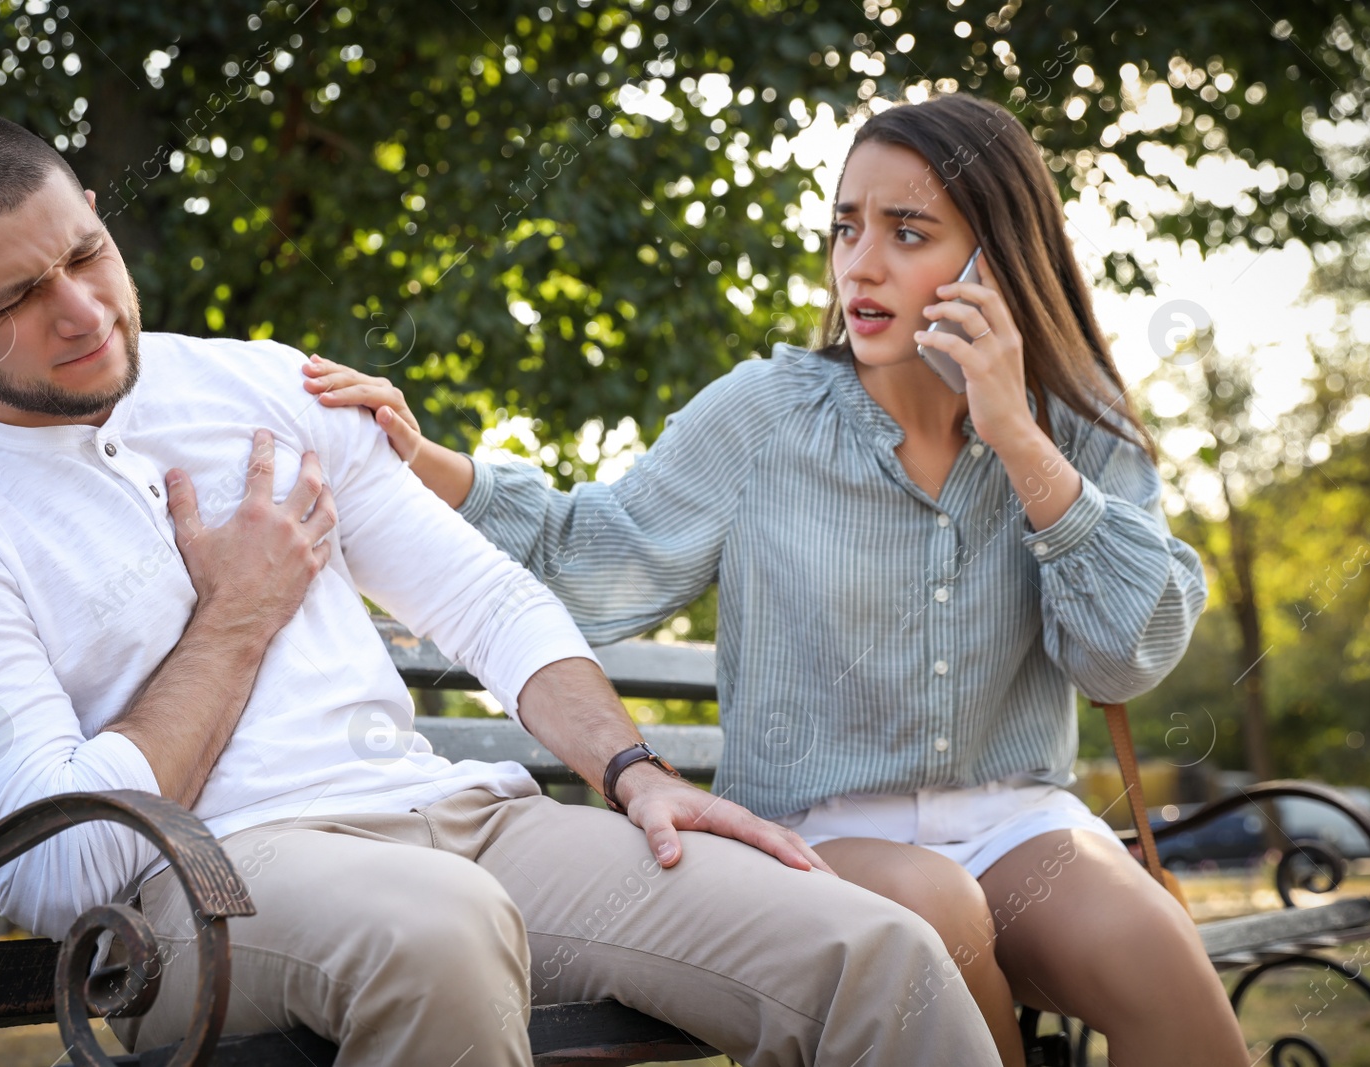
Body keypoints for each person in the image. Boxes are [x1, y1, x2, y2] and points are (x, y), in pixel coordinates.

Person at [0, 112, 1003, 1066]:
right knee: (438, 932)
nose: (83, 312)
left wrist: (631, 769)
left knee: (872, 951)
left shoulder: (268, 386)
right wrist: (235, 619)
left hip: (459, 825)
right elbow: (55, 865)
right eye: (14, 301)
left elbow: (491, 601)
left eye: (85, 253)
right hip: (205, 887)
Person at [302, 93, 1252, 1066]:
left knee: (1155, 950)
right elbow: (590, 557)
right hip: (815, 831)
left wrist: (1018, 439)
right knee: (934, 916)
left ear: (996, 259)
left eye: (906, 231)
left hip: (1019, 821)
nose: (859, 265)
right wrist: (425, 460)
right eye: (845, 227)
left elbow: (1122, 655)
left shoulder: (1078, 422)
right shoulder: (765, 413)